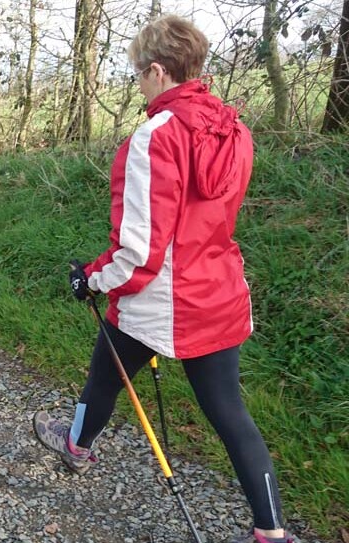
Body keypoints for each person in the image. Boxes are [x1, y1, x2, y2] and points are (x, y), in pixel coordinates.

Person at [31, 15, 297, 543]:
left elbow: (138, 252)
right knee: (231, 415)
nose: (138, 84)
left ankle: (76, 446)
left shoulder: (155, 137)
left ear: (157, 70)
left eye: (138, 73)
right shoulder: (235, 130)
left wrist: (91, 279)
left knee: (105, 372)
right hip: (220, 293)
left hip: (161, 302)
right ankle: (273, 533)